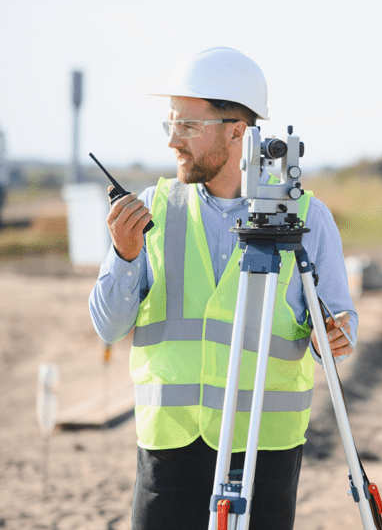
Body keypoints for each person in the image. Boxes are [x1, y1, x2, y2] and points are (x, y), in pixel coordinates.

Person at [88, 47, 358, 530]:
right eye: (171, 124)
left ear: (238, 132)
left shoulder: (306, 218)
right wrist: (125, 255)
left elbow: (338, 322)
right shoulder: (154, 209)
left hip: (264, 446)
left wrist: (332, 336)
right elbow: (108, 327)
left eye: (189, 126)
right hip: (169, 446)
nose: (173, 140)